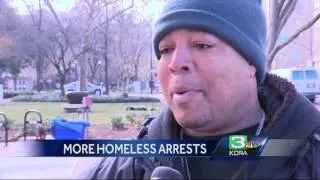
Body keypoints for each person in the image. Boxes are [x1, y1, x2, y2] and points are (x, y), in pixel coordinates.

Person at [81, 0, 320, 179]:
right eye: (165, 49)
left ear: (251, 64)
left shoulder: (309, 157)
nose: (176, 63)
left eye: (202, 45)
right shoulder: (133, 163)